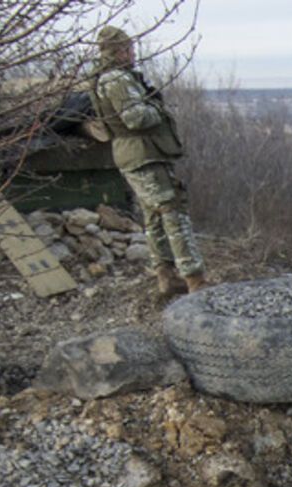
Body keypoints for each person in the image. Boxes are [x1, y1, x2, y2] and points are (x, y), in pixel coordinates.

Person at [89, 25, 207, 296]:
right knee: (173, 213)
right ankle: (195, 281)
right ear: (117, 51)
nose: (132, 53)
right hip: (142, 155)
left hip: (139, 154)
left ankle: (166, 278)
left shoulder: (109, 78)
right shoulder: (117, 79)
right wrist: (158, 107)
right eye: (128, 48)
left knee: (154, 217)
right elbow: (136, 118)